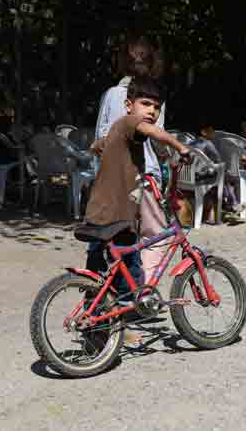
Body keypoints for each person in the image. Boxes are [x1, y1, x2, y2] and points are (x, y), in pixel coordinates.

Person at [83, 76, 190, 299]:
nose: (152, 111)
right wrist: (181, 147)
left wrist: (104, 154)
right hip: (118, 216)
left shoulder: (118, 130)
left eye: (156, 107)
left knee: (97, 271)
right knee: (130, 273)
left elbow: (97, 146)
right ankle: (124, 321)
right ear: (129, 106)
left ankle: (92, 322)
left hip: (98, 211)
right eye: (145, 104)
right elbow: (155, 133)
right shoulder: (131, 122)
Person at [93, 34, 169, 277]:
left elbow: (100, 136)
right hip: (144, 177)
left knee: (116, 238)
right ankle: (140, 294)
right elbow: (158, 140)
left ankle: (112, 291)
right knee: (156, 235)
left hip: (111, 180)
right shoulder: (154, 98)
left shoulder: (110, 94)